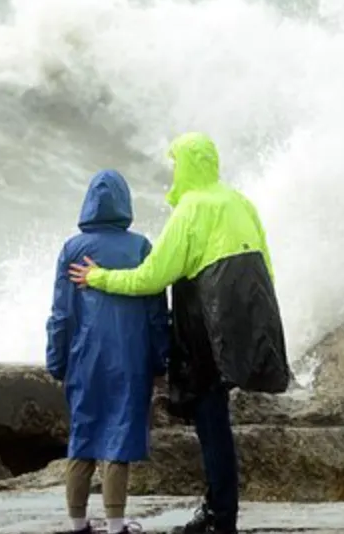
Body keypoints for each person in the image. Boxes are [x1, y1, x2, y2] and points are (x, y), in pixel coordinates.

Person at [69, 132, 291, 534]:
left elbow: (151, 278)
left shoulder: (191, 209)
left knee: (211, 421)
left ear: (187, 166)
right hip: (246, 319)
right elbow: (268, 267)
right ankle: (220, 510)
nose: (173, 171)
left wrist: (98, 277)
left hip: (206, 326)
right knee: (217, 419)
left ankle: (220, 516)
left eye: (175, 164)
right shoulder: (241, 202)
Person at [46, 169, 171, 534]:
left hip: (84, 358)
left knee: (82, 434)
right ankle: (116, 524)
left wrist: (57, 359)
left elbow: (61, 313)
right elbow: (155, 313)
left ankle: (76, 523)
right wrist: (161, 357)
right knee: (119, 435)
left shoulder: (72, 249)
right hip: (130, 359)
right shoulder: (140, 247)